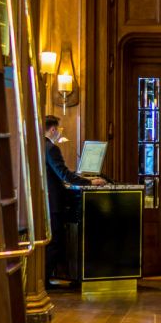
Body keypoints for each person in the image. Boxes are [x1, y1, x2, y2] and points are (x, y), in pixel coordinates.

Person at [44, 114, 104, 287]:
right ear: (53, 129)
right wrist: (90, 182)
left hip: (45, 200)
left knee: (52, 241)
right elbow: (64, 174)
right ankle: (45, 281)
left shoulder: (38, 145)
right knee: (55, 241)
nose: (59, 133)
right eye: (58, 129)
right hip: (54, 202)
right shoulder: (51, 148)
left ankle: (44, 280)